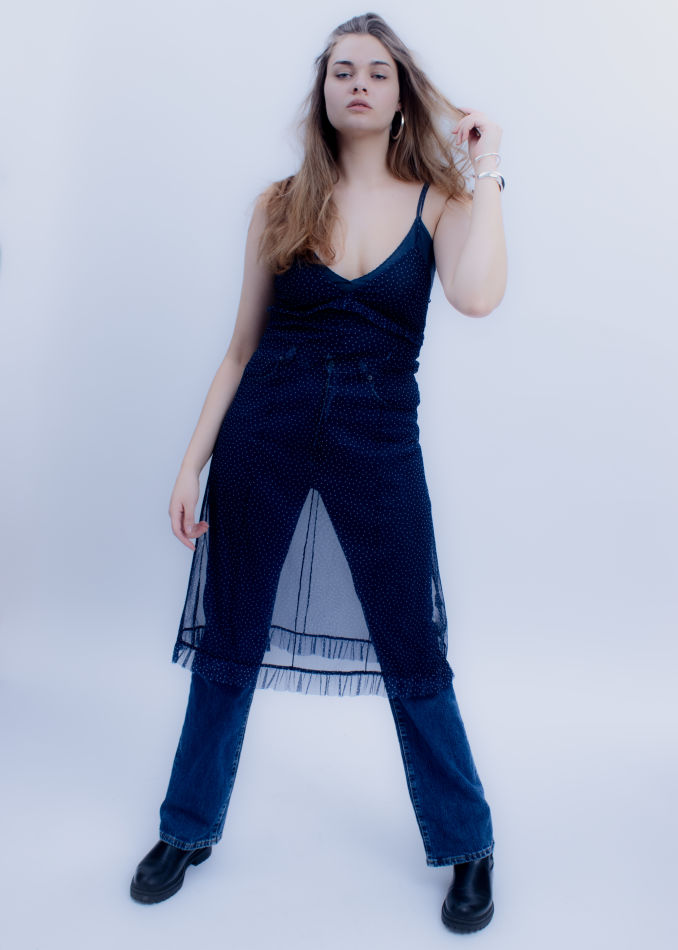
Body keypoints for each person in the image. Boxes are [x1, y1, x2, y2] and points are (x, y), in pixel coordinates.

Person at [130, 12, 507, 934]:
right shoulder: (279, 204)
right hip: (263, 432)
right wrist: (189, 464)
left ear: (400, 94)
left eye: (377, 71)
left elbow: (478, 296)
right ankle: (187, 828)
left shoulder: (441, 201)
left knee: (413, 645)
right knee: (230, 637)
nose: (359, 84)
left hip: (378, 443)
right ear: (324, 91)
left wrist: (488, 170)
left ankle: (468, 844)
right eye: (343, 71)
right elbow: (239, 350)